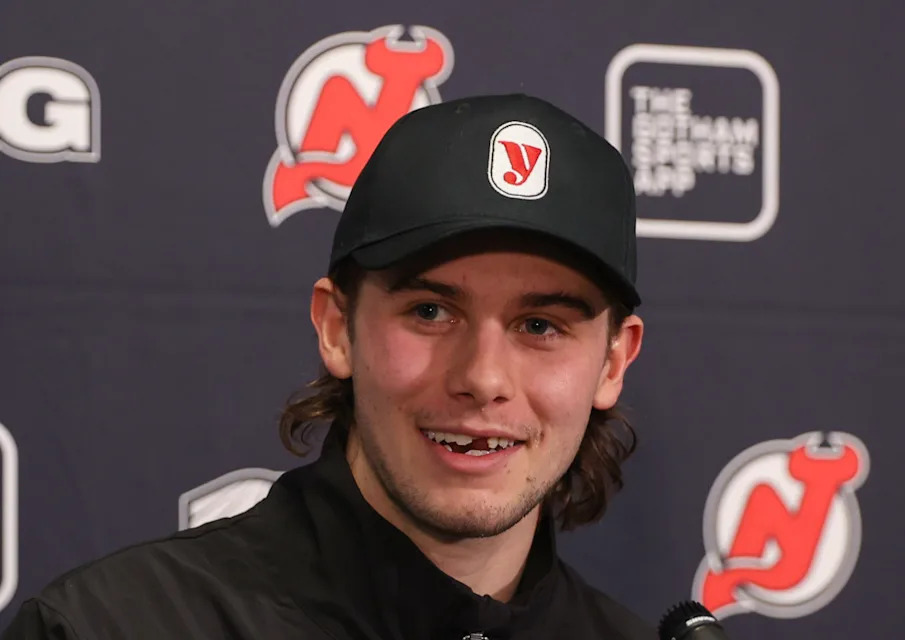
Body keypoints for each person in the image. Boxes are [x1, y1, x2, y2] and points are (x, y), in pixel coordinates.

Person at [3, 94, 653, 639]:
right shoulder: (110, 628)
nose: (483, 379)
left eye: (540, 326)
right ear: (337, 327)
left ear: (612, 362)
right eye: (431, 312)